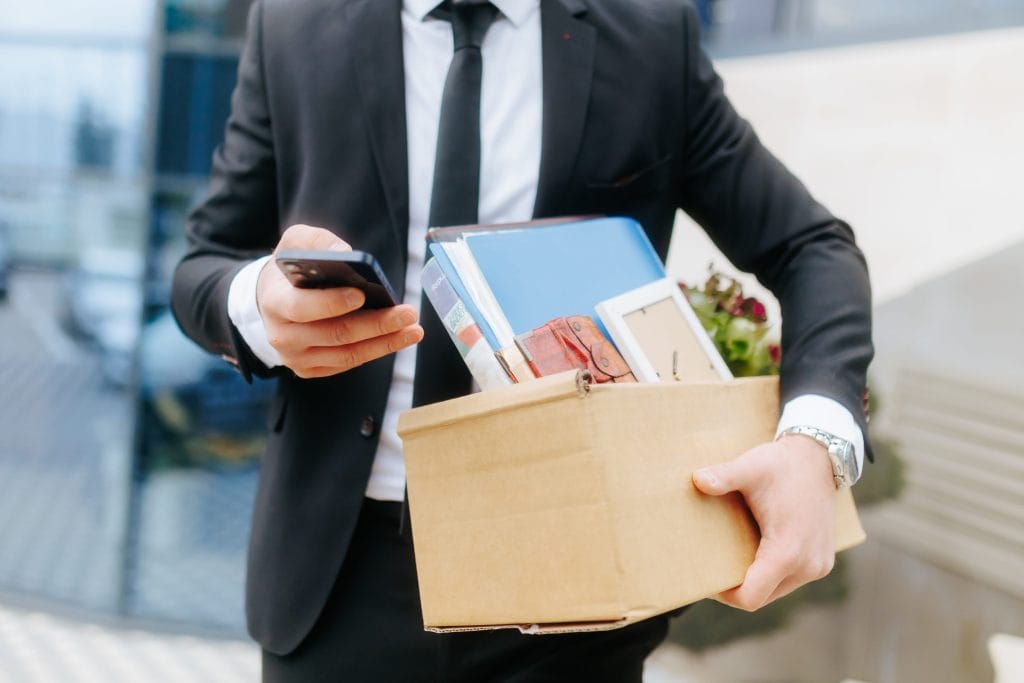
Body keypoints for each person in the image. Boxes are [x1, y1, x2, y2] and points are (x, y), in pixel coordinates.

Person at [171, 0, 873, 680]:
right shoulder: (292, 22)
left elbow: (813, 247)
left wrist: (817, 443)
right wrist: (259, 304)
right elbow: (202, 264)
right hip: (338, 575)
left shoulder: (653, 37)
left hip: (573, 576)